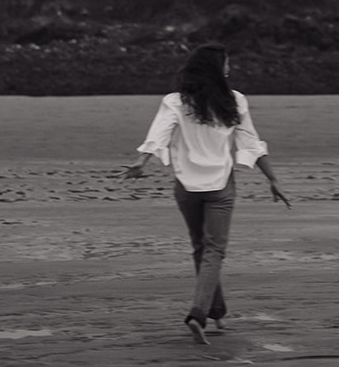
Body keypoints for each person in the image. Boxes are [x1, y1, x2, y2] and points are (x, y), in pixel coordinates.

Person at [119, 43, 290, 345]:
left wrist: (142, 161)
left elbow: (158, 133)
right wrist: (272, 179)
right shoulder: (234, 101)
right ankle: (198, 313)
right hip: (220, 187)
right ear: (215, 68)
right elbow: (250, 142)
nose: (230, 69)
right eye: (226, 63)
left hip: (186, 187)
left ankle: (217, 310)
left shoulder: (176, 101)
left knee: (201, 247)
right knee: (214, 250)